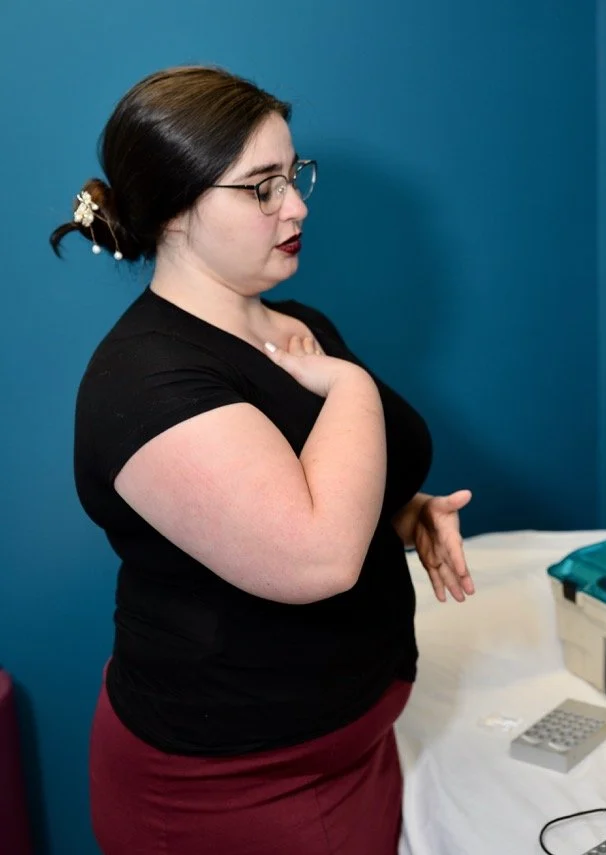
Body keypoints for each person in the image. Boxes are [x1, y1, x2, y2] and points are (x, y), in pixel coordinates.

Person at [51, 66, 473, 855]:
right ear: (176, 207)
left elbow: (318, 484)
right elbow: (316, 556)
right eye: (261, 187)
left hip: (346, 743)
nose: (299, 206)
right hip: (232, 787)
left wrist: (398, 513)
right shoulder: (144, 383)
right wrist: (347, 386)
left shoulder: (296, 320)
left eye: (294, 175)